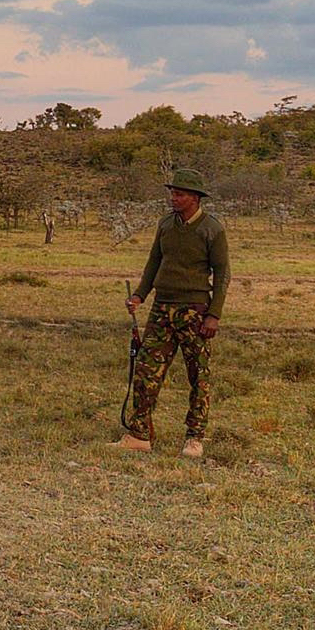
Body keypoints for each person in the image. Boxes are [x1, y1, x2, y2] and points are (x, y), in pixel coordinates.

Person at [118, 172, 228, 459]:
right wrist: (140, 295)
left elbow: (223, 274)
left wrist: (213, 315)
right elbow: (154, 261)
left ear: (195, 197)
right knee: (145, 371)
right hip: (161, 309)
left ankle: (194, 438)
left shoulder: (212, 229)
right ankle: (139, 434)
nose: (173, 198)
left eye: (179, 194)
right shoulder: (165, 224)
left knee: (199, 377)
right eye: (172, 193)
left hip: (195, 311)